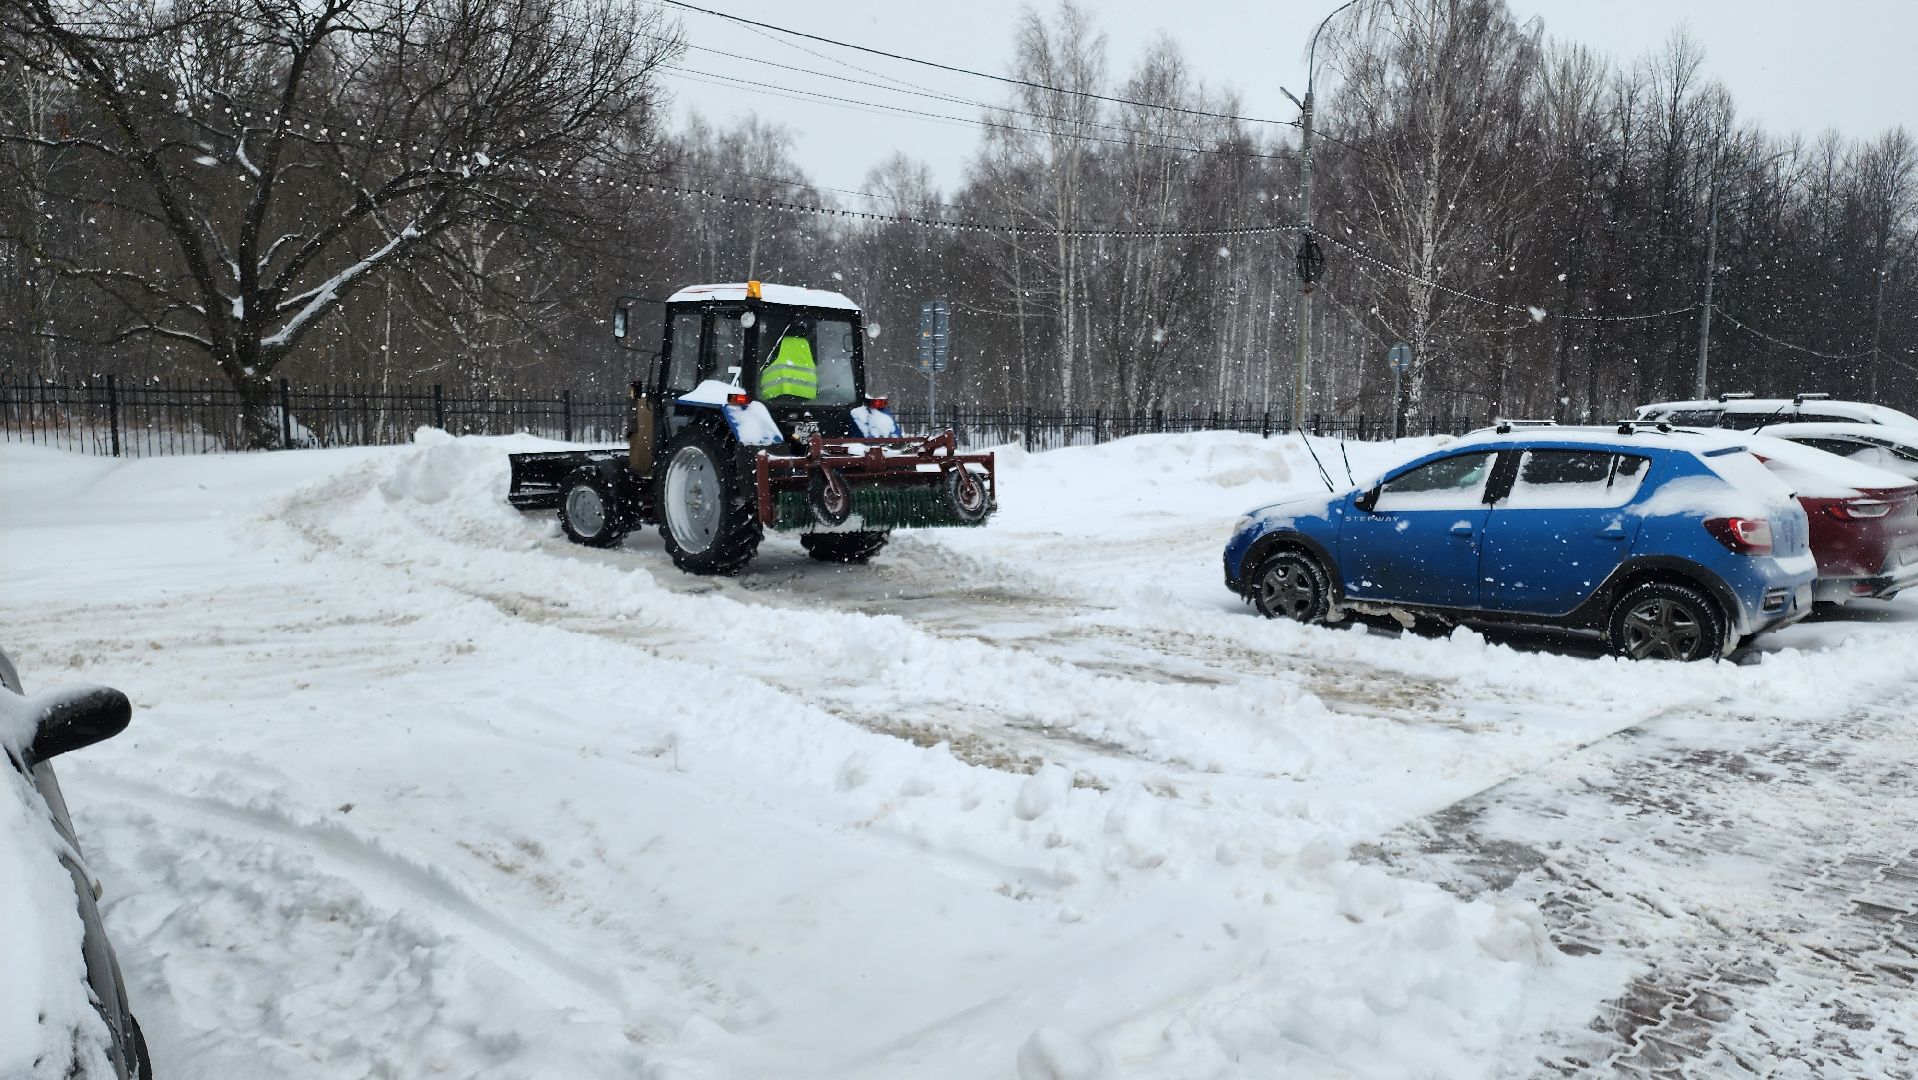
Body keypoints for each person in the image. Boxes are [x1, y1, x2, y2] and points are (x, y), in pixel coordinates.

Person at [760, 324, 817, 401]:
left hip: (777, 393)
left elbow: (760, 363)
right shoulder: (807, 344)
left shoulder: (775, 344)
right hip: (805, 395)